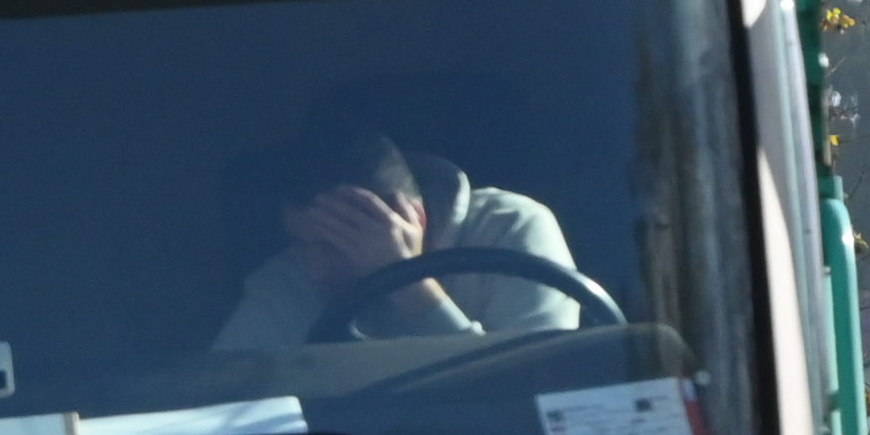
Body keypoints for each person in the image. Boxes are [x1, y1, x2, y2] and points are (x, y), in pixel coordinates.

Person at [214, 114, 590, 349]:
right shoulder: (292, 277)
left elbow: (541, 392)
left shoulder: (509, 230)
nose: (313, 268)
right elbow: (229, 396)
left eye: (335, 244)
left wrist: (406, 281)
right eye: (301, 244)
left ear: (414, 220)